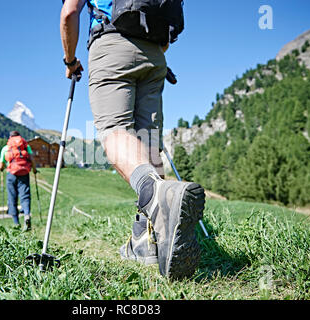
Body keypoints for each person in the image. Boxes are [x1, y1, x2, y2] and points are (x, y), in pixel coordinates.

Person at [60, 0, 205, 279]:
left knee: (115, 129)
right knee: (148, 141)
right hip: (155, 54)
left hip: (111, 42)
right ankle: (147, 241)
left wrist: (70, 61)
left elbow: (69, 13)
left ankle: (158, 195)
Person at [0, 131, 37, 231]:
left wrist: (1, 168)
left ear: (10, 137)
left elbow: (1, 165)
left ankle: (16, 223)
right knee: (25, 196)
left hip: (11, 174)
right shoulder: (25, 146)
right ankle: (27, 215)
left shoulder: (6, 148)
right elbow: (32, 158)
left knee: (12, 197)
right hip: (24, 173)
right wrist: (34, 169)